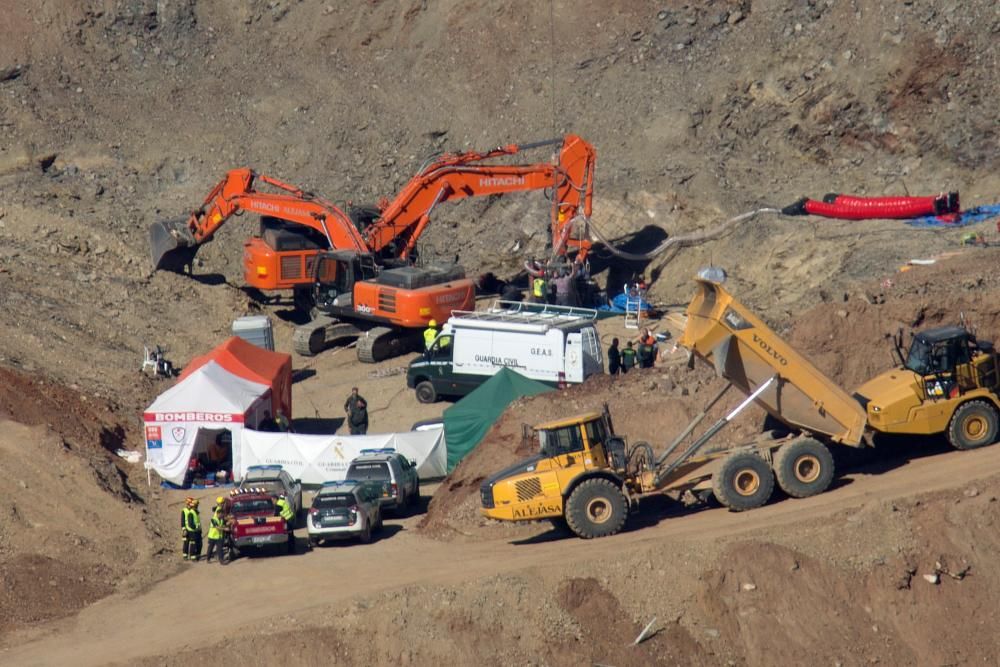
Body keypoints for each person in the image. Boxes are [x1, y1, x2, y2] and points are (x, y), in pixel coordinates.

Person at [181, 497, 202, 561]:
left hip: (193, 529)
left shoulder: (194, 511)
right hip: (187, 529)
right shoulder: (184, 510)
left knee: (193, 543)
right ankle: (185, 555)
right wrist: (184, 529)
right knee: (186, 543)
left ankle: (193, 555)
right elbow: (183, 521)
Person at [205, 497, 225, 564]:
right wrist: (225, 528)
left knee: (220, 549)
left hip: (219, 536)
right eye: (222, 503)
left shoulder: (220, 515)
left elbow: (223, 521)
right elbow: (217, 527)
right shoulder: (214, 518)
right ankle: (208, 558)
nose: (223, 504)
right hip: (213, 536)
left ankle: (221, 560)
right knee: (210, 548)